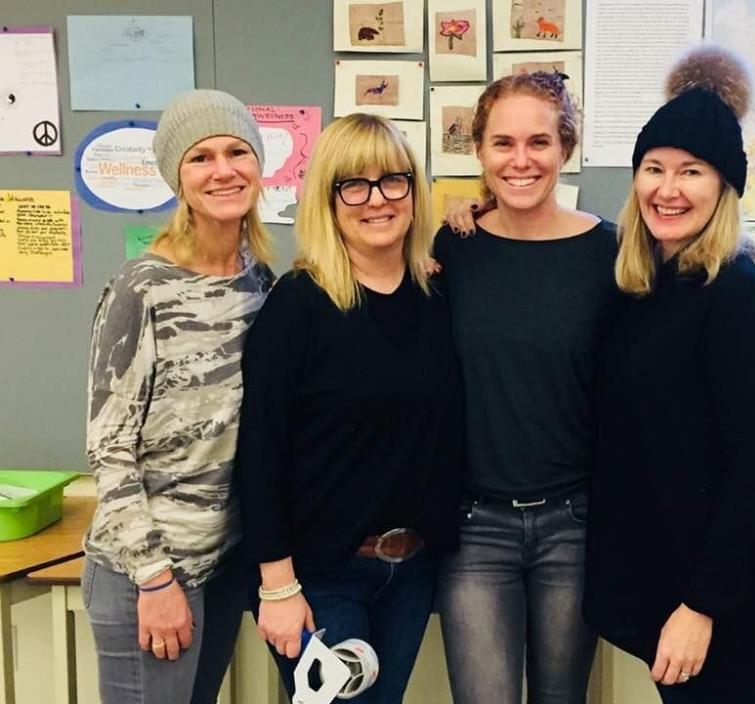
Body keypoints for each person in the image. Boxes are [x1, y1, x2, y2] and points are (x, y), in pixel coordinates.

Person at [584, 47, 755, 704]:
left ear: (724, 188)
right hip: (661, 576)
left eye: (691, 172)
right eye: (653, 168)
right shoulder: (641, 284)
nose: (667, 189)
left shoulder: (732, 291)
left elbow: (747, 460)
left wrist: (701, 607)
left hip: (714, 599)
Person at [235, 113, 464, 703]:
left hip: (412, 571)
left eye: (393, 181)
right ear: (328, 199)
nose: (376, 200)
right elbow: (259, 451)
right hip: (323, 576)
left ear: (414, 190)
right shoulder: (299, 305)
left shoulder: (437, 296)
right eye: (353, 186)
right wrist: (278, 586)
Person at [83, 89, 274, 703]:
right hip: (147, 574)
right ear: (176, 176)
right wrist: (154, 577)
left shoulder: (259, 280)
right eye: (201, 157)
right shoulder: (143, 288)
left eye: (237, 151)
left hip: (220, 568)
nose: (223, 170)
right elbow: (109, 447)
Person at [434, 72, 619, 704]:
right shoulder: (454, 245)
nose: (520, 160)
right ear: (479, 152)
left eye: (538, 142)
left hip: (575, 524)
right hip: (473, 527)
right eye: (502, 143)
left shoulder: (610, 254)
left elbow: (654, 381)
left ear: (565, 148)